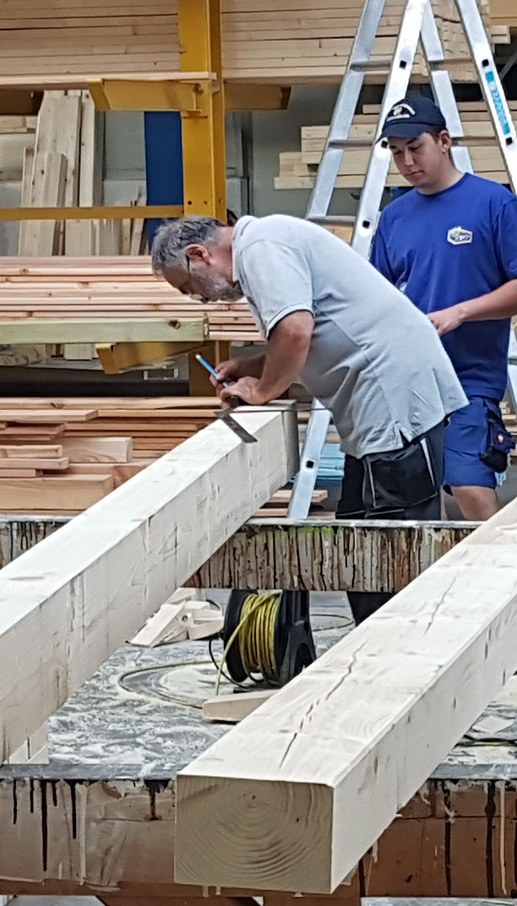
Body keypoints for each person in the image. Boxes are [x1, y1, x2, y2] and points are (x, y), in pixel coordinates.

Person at [149, 212, 466, 622]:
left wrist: (262, 390)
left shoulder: (261, 247)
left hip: (394, 401)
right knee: (360, 539)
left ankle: (407, 644)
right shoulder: (265, 243)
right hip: (379, 405)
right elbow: (316, 330)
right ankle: (374, 642)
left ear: (199, 254)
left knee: (394, 545)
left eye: (190, 287)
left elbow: (296, 331)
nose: (201, 298)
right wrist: (255, 365)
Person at [368, 94, 517, 522]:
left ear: (444, 141)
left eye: (416, 148)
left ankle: (500, 561)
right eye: (397, 152)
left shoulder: (492, 203)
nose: (407, 161)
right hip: (409, 380)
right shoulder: (394, 217)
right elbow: (376, 298)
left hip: (470, 377)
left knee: (469, 485)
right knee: (412, 500)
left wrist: (460, 312)